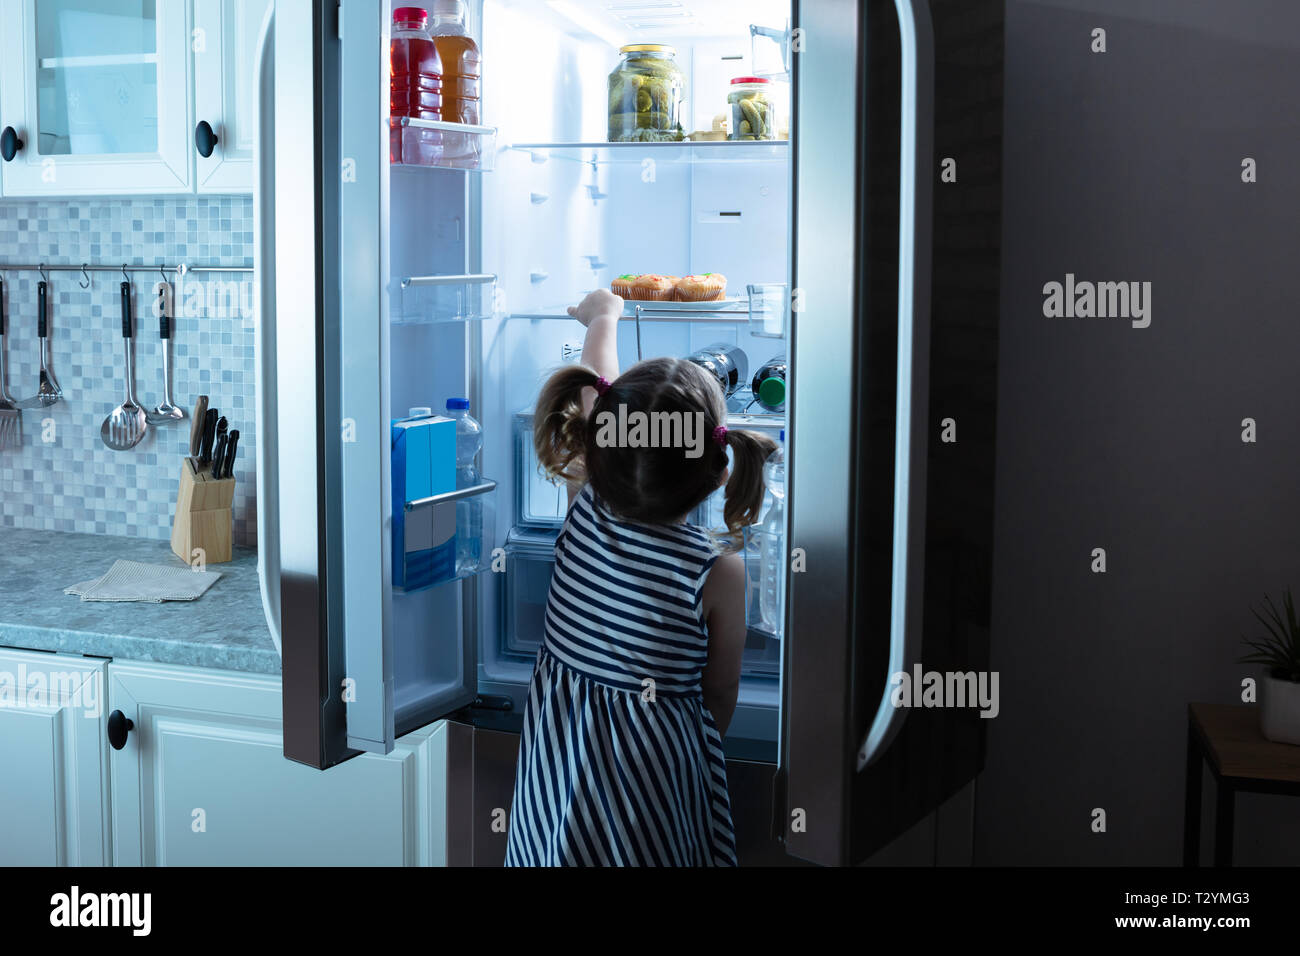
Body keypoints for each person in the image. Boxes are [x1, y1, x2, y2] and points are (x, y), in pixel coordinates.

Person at [504, 289, 777, 866]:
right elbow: (721, 689)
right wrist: (689, 750)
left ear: (596, 450)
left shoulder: (587, 504)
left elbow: (598, 389)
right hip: (652, 776)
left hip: (560, 768)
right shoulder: (717, 570)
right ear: (718, 470)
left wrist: (603, 316)